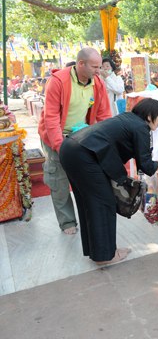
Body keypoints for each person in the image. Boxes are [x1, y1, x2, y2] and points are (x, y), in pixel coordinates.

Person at [59, 98, 158, 264]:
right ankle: (104, 256)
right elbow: (147, 167)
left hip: (69, 148)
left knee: (88, 202)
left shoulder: (128, 119)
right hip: (84, 155)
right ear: (149, 116)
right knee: (103, 202)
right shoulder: (141, 128)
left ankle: (99, 252)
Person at [38, 48, 112, 235]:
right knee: (59, 179)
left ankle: (89, 216)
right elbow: (51, 117)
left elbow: (104, 115)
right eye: (95, 67)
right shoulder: (57, 82)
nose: (99, 70)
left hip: (80, 135)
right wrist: (60, 146)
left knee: (85, 176)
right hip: (55, 136)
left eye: (99, 66)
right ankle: (67, 222)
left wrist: (106, 141)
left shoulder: (98, 83)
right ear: (81, 64)